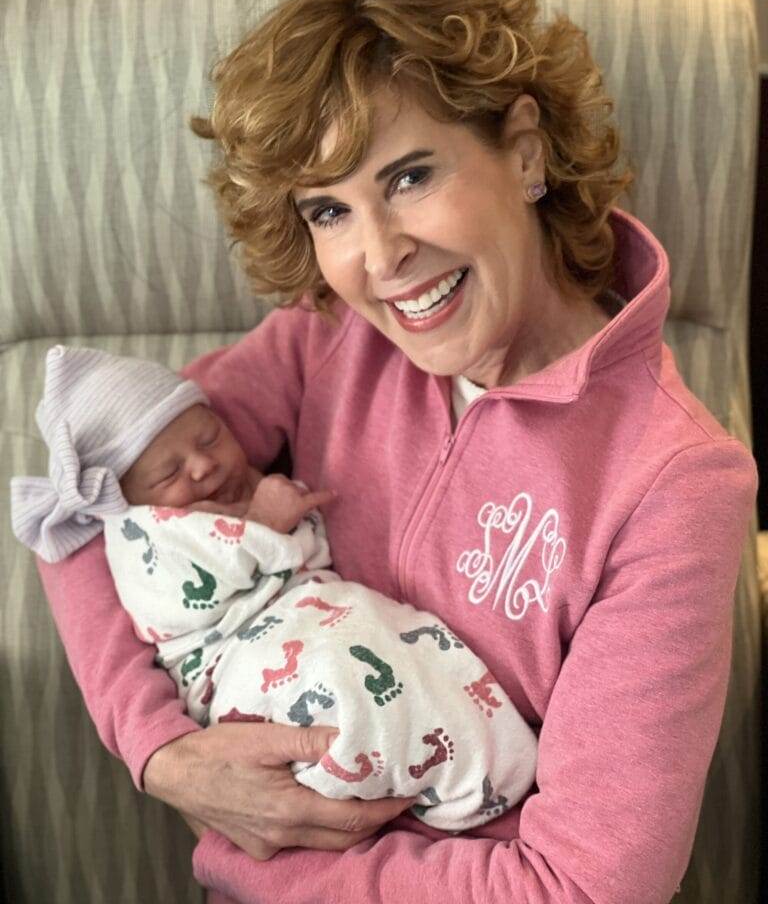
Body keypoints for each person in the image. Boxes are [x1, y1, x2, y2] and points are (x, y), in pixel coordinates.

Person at [33, 0, 757, 904]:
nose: (380, 257)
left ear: (526, 149)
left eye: (411, 176)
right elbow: (75, 502)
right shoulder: (323, 339)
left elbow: (590, 886)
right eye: (329, 210)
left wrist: (273, 858)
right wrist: (160, 750)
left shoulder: (674, 482)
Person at [12, 345, 538, 832]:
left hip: (317, 615)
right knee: (334, 671)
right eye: (168, 472)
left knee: (398, 639)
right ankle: (394, 777)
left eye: (211, 437)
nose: (203, 465)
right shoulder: (142, 536)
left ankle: (484, 769)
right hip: (229, 660)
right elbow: (136, 568)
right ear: (130, 503)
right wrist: (262, 521)